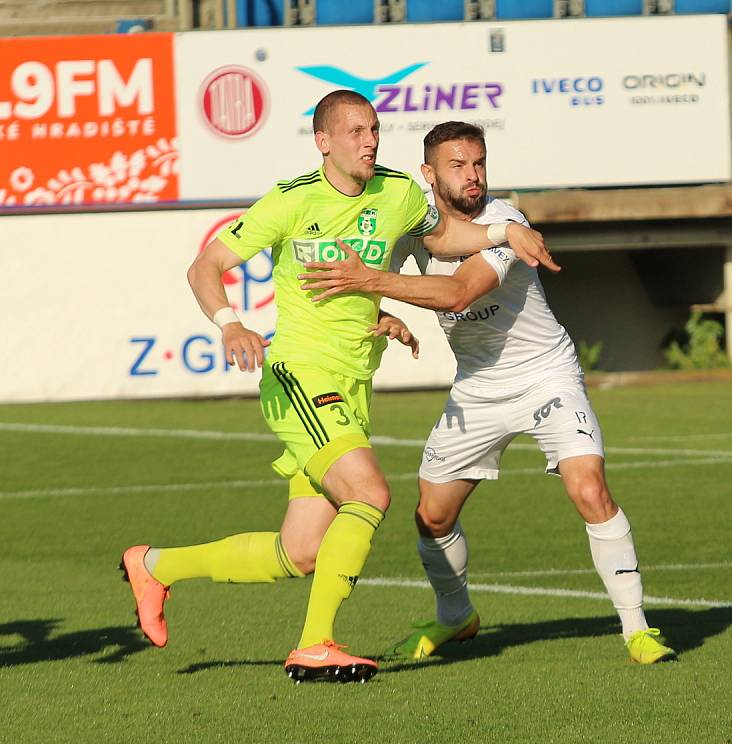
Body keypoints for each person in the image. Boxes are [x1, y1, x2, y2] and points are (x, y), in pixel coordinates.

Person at [120, 93, 558, 684]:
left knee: (297, 553)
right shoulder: (293, 199)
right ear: (324, 141)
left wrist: (504, 231)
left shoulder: (398, 192)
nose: (368, 141)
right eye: (354, 131)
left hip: (353, 385)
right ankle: (315, 644)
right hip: (300, 377)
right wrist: (231, 323)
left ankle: (154, 566)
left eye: (374, 129)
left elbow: (443, 239)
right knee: (371, 494)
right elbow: (205, 267)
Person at [298, 120, 675, 665]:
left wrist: (372, 284)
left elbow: (457, 293)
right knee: (432, 516)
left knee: (588, 487)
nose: (472, 176)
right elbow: (363, 277)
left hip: (546, 374)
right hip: (477, 389)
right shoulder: (412, 226)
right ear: (429, 174)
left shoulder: (505, 221)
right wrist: (380, 311)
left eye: (479, 163)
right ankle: (457, 617)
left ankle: (637, 629)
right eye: (457, 166)